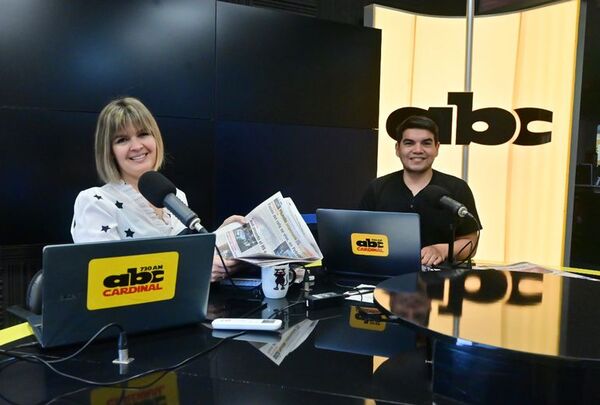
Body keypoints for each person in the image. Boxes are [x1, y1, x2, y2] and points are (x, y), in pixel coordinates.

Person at [71, 97, 242, 281]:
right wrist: (195, 269)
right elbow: (105, 275)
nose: (137, 146)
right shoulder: (95, 201)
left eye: (143, 134)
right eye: (122, 139)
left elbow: (180, 254)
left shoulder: (177, 196)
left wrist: (221, 237)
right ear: (109, 151)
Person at [360, 115, 481, 266]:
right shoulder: (377, 188)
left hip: (441, 280)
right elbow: (360, 238)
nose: (418, 150)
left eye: (426, 143)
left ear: (437, 148)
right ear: (398, 149)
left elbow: (470, 242)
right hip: (384, 277)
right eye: (409, 143)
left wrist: (442, 250)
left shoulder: (457, 188)